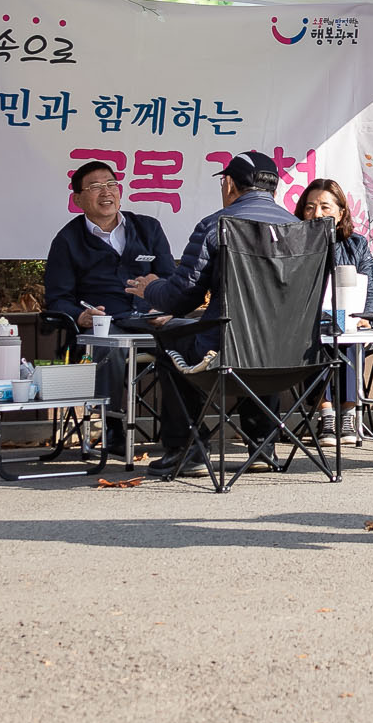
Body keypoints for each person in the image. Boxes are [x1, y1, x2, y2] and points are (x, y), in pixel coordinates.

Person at [127, 149, 297, 478]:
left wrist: (150, 287)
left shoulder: (216, 225)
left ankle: (186, 448)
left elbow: (180, 298)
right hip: (292, 358)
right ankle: (262, 443)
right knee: (263, 337)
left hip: (223, 353)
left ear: (230, 183)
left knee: (171, 341)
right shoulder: (304, 230)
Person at [42, 159, 175, 454]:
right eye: (95, 186)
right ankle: (113, 428)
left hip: (148, 319)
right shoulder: (67, 240)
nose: (106, 192)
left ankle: (183, 430)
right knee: (110, 344)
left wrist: (162, 306)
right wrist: (81, 316)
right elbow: (57, 297)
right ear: (78, 199)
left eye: (111, 184)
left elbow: (170, 280)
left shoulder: (148, 228)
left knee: (192, 334)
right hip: (104, 323)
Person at [296, 176, 373, 438]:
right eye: (309, 207)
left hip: (351, 323)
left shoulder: (357, 245)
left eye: (325, 207)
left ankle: (348, 414)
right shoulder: (296, 244)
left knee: (349, 337)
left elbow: (371, 289)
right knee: (315, 338)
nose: (316, 213)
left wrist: (366, 316)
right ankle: (326, 415)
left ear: (341, 212)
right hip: (309, 325)